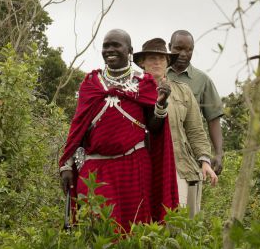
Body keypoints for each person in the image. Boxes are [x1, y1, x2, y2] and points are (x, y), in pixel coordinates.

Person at [59, 29, 179, 232]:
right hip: (95, 169)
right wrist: (67, 165)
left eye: (116, 45)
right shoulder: (90, 84)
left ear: (130, 51)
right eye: (106, 46)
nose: (110, 50)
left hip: (133, 166)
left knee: (132, 231)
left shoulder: (144, 84)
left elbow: (154, 128)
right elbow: (78, 127)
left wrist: (160, 104)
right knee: (95, 230)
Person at [133, 38, 218, 216]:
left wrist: (204, 160)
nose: (157, 62)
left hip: (180, 167)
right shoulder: (132, 91)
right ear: (142, 63)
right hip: (143, 168)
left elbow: (195, 130)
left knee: (181, 227)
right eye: (151, 58)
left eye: (162, 58)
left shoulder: (183, 91)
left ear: (168, 62)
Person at [168, 30, 226, 175]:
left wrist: (218, 154)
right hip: (162, 150)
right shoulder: (156, 75)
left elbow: (213, 119)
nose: (183, 54)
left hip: (191, 155)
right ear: (170, 47)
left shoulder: (202, 80)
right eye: (178, 48)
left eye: (189, 50)